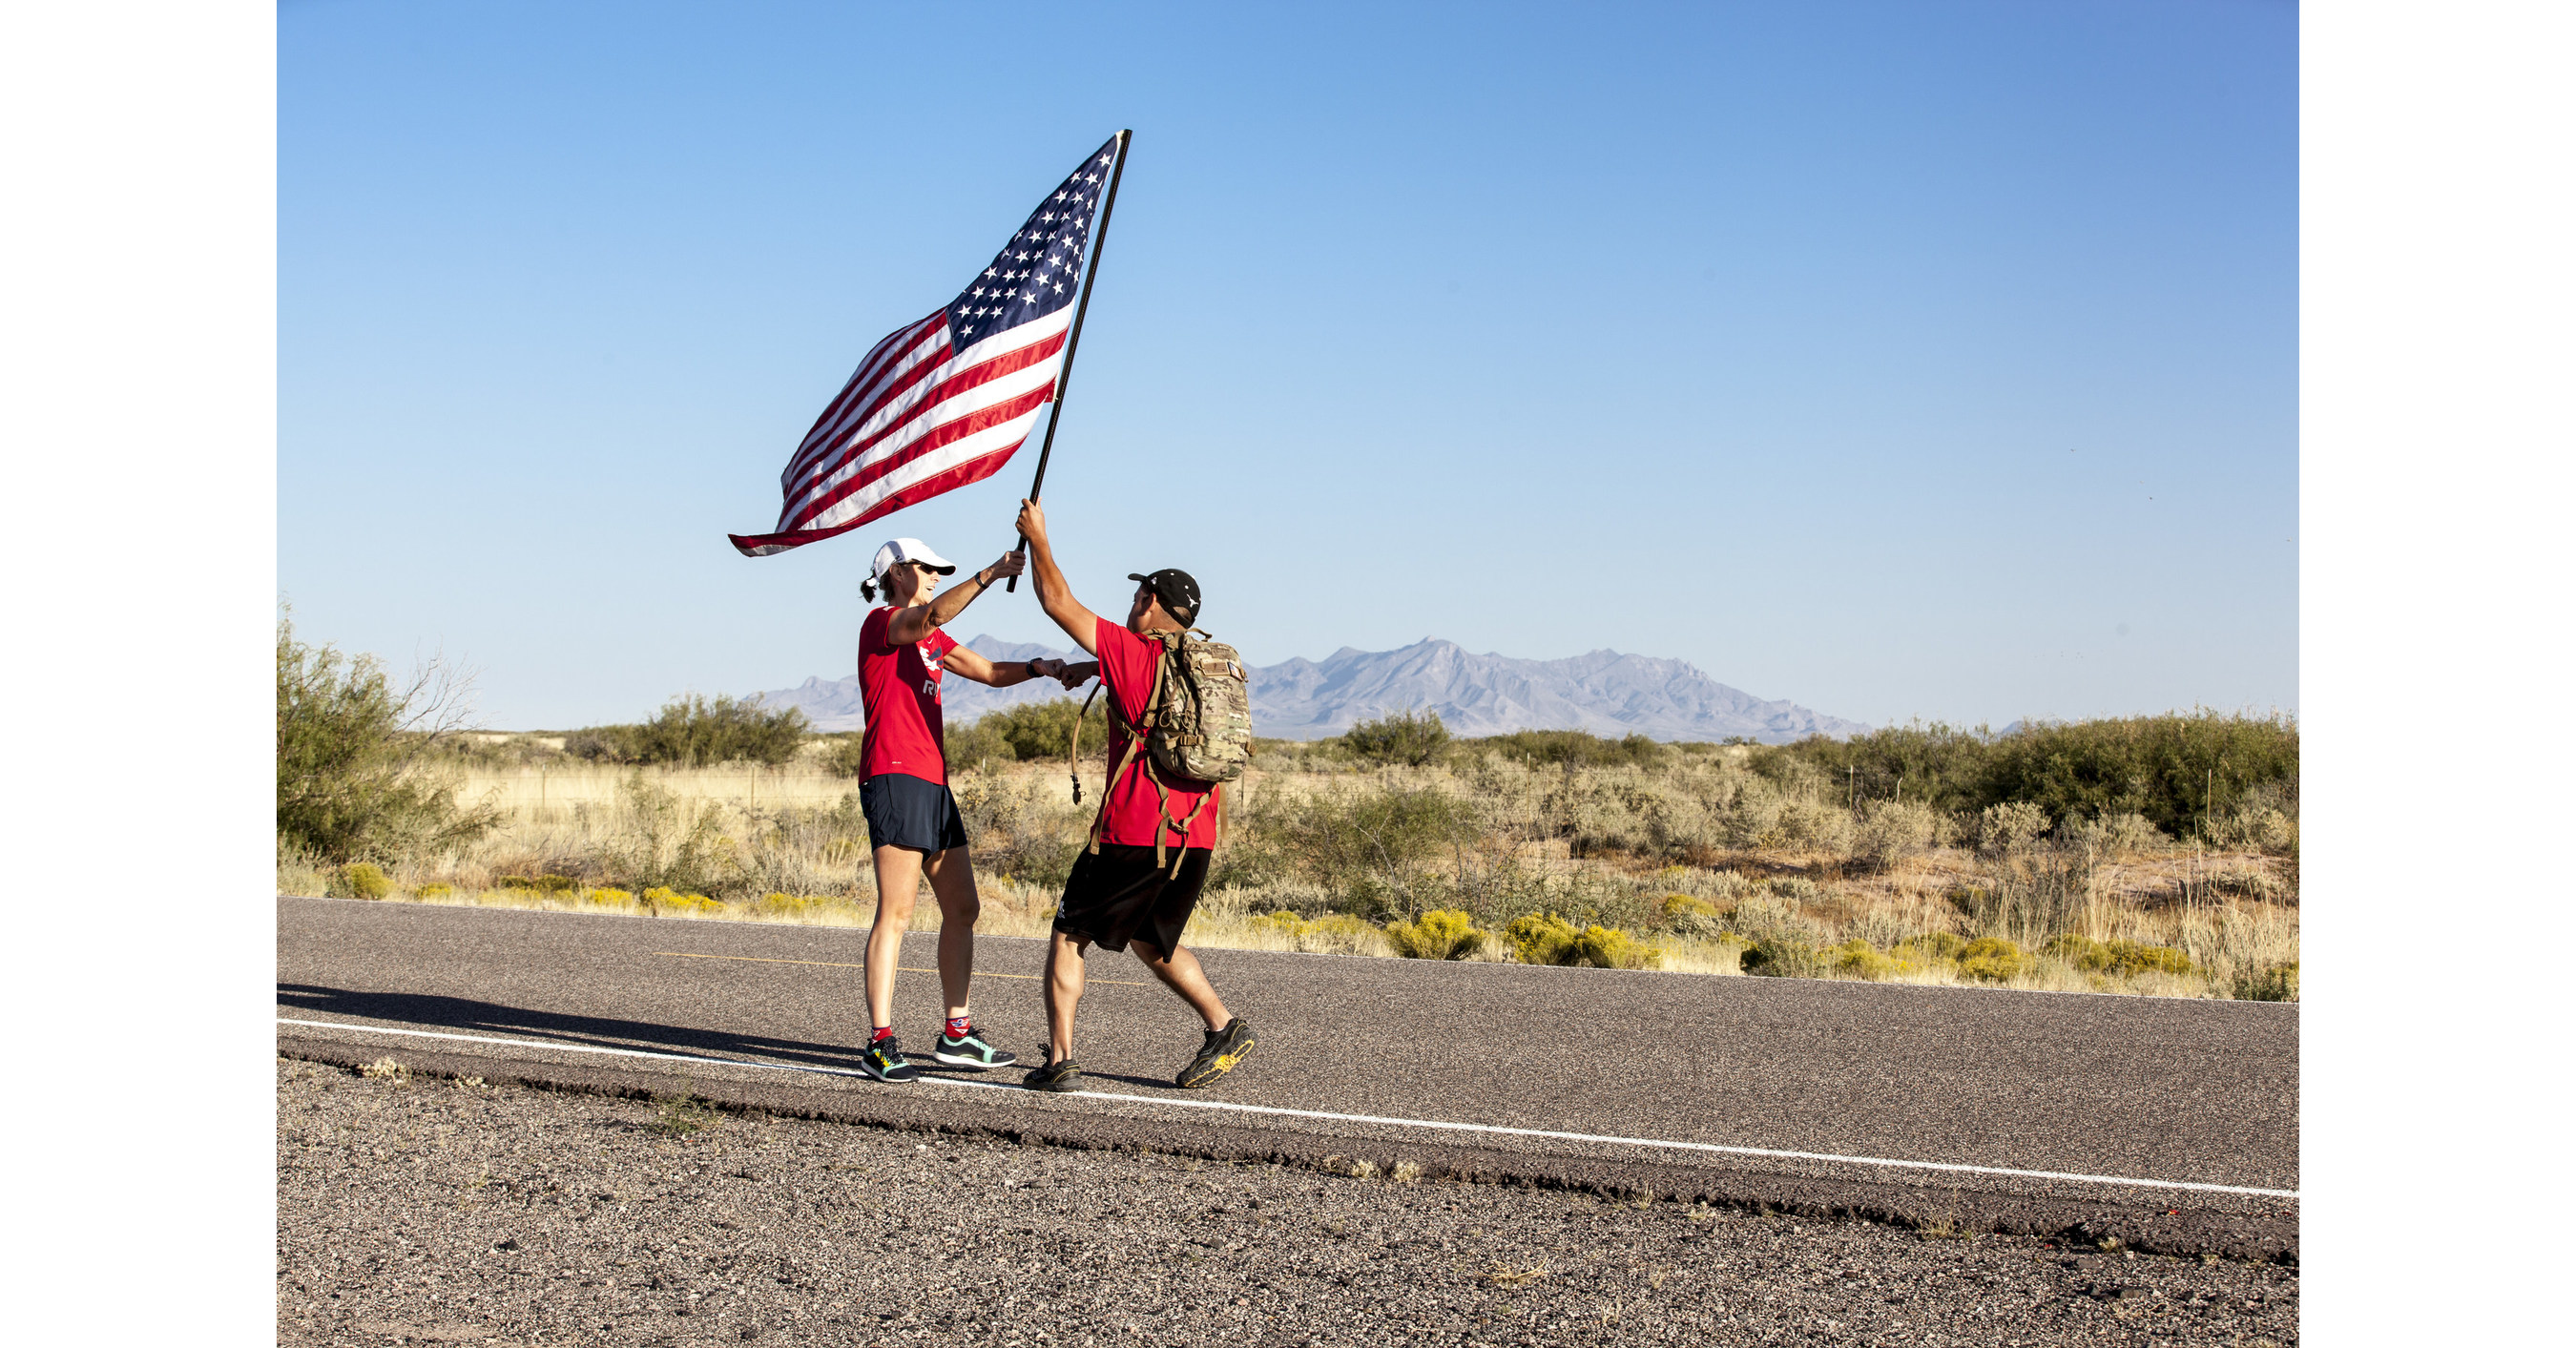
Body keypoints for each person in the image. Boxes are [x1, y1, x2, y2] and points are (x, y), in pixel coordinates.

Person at [1009, 498, 1257, 1093]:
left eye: (1139, 597)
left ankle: (1061, 1061)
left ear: (1151, 606)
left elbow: (1057, 603)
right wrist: (1089, 669)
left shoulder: (1131, 650)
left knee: (1069, 932)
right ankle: (1224, 1027)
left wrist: (1039, 538)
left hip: (1133, 831)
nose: (1131, 604)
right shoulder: (1201, 666)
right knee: (1151, 939)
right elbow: (1143, 684)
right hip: (1194, 834)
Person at [847, 536, 1077, 1083]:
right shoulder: (882, 625)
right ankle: (879, 1041)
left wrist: (1042, 668)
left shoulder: (931, 639)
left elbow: (991, 672)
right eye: (927, 568)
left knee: (964, 908)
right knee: (896, 914)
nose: (932, 575)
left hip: (932, 782)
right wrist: (992, 572)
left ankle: (956, 1034)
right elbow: (926, 617)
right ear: (899, 573)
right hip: (894, 775)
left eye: (936, 570)